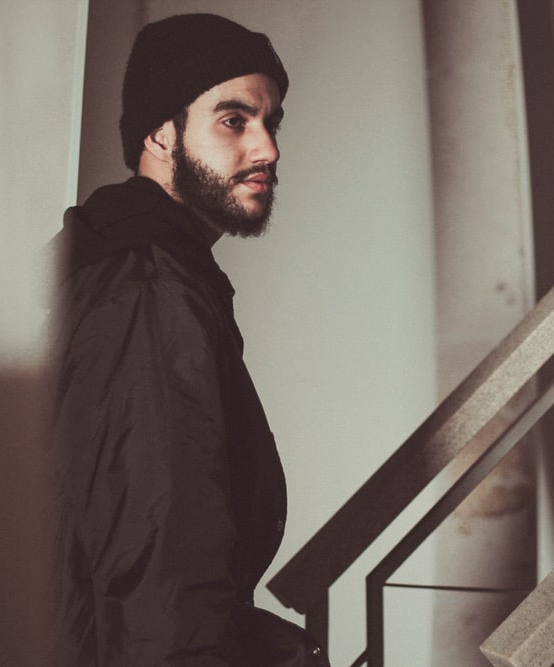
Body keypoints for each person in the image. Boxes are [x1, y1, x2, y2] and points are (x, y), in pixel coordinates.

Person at [49, 13, 329, 666]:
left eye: (271, 121)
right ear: (159, 132)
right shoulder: (145, 284)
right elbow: (160, 559)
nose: (268, 149)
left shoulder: (142, 266)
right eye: (234, 120)